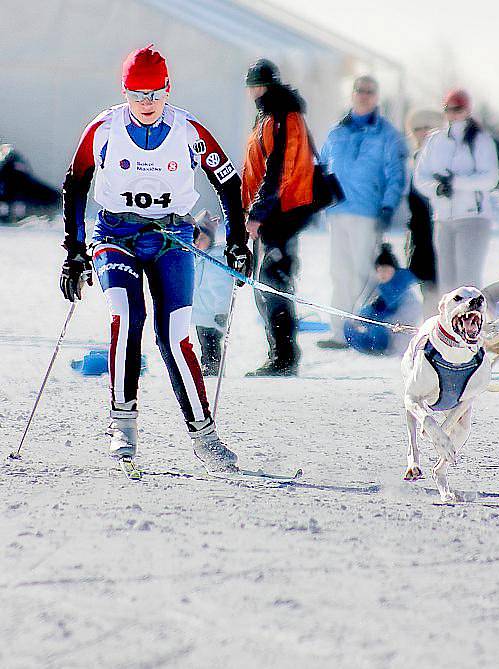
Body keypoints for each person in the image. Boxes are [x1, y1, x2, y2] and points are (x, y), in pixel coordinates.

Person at [59, 45, 252, 472]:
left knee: (176, 334)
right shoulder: (104, 128)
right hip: (115, 235)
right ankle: (122, 428)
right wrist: (73, 252)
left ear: (168, 89)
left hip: (170, 237)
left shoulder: (189, 131)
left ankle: (204, 436)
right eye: (137, 94)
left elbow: (228, 181)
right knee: (127, 317)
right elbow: (75, 183)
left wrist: (237, 242)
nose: (146, 104)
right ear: (124, 92)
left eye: (155, 94)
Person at [316, 75, 407, 349]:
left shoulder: (387, 135)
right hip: (338, 211)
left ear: (376, 96)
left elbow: (396, 175)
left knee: (363, 271)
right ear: (352, 94)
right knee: (338, 271)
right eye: (359, 91)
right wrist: (317, 198)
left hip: (368, 212)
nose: (364, 95)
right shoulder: (336, 132)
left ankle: (361, 327)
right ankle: (338, 330)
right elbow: (321, 167)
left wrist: (388, 205)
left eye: (370, 91)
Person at [242, 59, 315, 376]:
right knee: (266, 284)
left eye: (257, 85)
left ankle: (285, 357)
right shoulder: (267, 114)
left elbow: (279, 169)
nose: (254, 91)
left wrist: (258, 212)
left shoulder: (283, 114)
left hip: (281, 213)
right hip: (272, 212)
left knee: (274, 283)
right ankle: (279, 353)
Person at [414, 88, 499, 295]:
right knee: (447, 283)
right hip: (443, 218)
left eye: (458, 108)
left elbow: (490, 178)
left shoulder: (480, 139)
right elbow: (420, 177)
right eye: (448, 109)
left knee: (468, 281)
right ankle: (450, 325)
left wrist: (456, 182)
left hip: (473, 217)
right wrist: (437, 188)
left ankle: (472, 323)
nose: (453, 113)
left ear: (467, 109)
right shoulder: (435, 140)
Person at [344, 244, 421, 355]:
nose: (383, 274)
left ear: (394, 270)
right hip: (393, 324)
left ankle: (378, 344)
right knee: (360, 322)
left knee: (376, 324)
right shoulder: (383, 286)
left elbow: (391, 307)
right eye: (380, 271)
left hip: (403, 326)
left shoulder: (400, 283)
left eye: (386, 270)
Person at [404, 109, 443, 318]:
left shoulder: (442, 159)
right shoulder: (413, 160)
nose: (423, 133)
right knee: (427, 286)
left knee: (443, 285)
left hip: (440, 226)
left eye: (428, 127)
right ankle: (430, 330)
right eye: (417, 129)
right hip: (420, 232)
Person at [192, 210, 233, 376]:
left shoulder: (216, 260)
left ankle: (213, 370)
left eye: (203, 239)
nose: (198, 243)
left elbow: (223, 289)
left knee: (212, 343)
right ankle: (208, 367)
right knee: (204, 343)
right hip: (201, 313)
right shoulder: (196, 258)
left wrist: (222, 311)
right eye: (196, 239)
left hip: (213, 315)